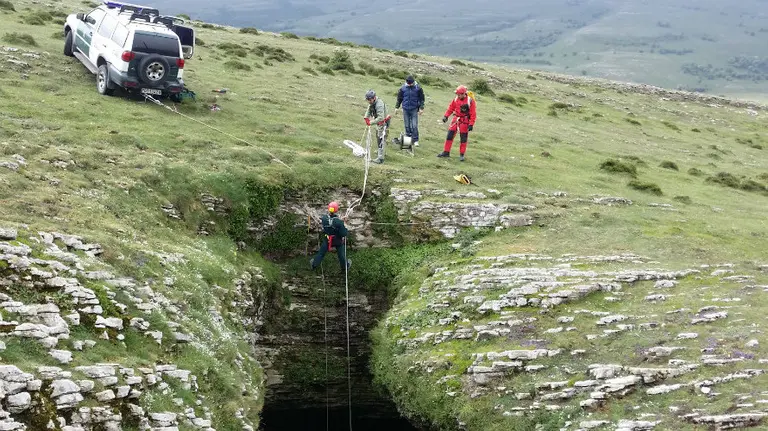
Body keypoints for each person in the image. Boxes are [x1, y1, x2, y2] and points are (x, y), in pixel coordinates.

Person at [437, 85, 476, 162]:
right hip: (456, 119)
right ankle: (446, 152)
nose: (458, 95)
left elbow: (473, 113)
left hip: (464, 121)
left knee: (463, 138)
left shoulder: (470, 101)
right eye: (457, 94)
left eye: (459, 94)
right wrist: (446, 116)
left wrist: (471, 124)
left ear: (463, 93)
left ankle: (462, 155)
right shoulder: (455, 99)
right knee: (449, 135)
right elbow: (451, 108)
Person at [310, 201, 352, 272]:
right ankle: (345, 267)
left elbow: (332, 222)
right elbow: (344, 233)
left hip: (328, 239)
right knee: (341, 255)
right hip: (337, 240)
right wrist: (344, 224)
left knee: (321, 253)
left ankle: (314, 264)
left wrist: (340, 221)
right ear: (336, 210)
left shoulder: (324, 218)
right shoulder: (339, 222)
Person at [395, 75, 425, 147]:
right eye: (408, 84)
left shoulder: (418, 88)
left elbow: (422, 99)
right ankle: (408, 141)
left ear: (413, 82)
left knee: (414, 125)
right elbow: (399, 98)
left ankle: (415, 140)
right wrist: (397, 107)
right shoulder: (402, 88)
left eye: (411, 83)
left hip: (414, 109)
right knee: (407, 126)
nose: (410, 85)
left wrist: (421, 108)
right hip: (405, 109)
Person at [363, 89, 390, 164]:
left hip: (384, 122)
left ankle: (380, 158)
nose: (368, 101)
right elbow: (369, 109)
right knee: (378, 136)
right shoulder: (372, 102)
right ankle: (380, 151)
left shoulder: (379, 104)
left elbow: (381, 117)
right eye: (367, 99)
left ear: (374, 98)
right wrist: (366, 117)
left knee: (381, 138)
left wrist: (370, 122)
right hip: (379, 123)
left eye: (369, 99)